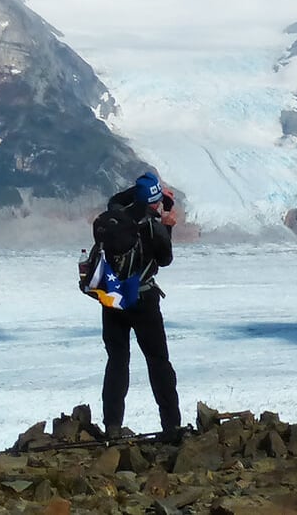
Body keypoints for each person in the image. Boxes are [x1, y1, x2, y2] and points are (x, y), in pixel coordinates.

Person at [97, 172, 181, 440]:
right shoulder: (152, 227)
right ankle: (171, 425)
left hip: (112, 299)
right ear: (155, 201)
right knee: (158, 362)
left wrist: (142, 192)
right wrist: (167, 224)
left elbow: (115, 199)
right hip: (143, 300)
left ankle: (112, 426)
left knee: (117, 361)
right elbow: (165, 259)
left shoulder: (115, 216)